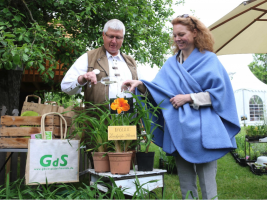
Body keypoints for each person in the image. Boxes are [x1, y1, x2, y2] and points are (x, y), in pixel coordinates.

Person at [123, 14, 240, 200]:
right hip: (178, 129)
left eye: (182, 34)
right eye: (175, 35)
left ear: (195, 33)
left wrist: (189, 98)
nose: (178, 39)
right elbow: (158, 91)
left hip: (204, 131)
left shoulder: (210, 60)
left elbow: (220, 95)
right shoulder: (171, 64)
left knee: (208, 187)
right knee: (186, 185)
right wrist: (140, 85)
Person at [61, 19, 142, 165]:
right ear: (103, 35)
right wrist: (82, 78)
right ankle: (100, 188)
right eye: (110, 36)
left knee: (126, 165)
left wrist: (140, 85)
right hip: (99, 124)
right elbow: (65, 87)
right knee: (102, 168)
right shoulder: (89, 57)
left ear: (123, 38)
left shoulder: (130, 61)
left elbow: (142, 90)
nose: (114, 41)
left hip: (127, 122)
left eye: (118, 37)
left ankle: (124, 186)